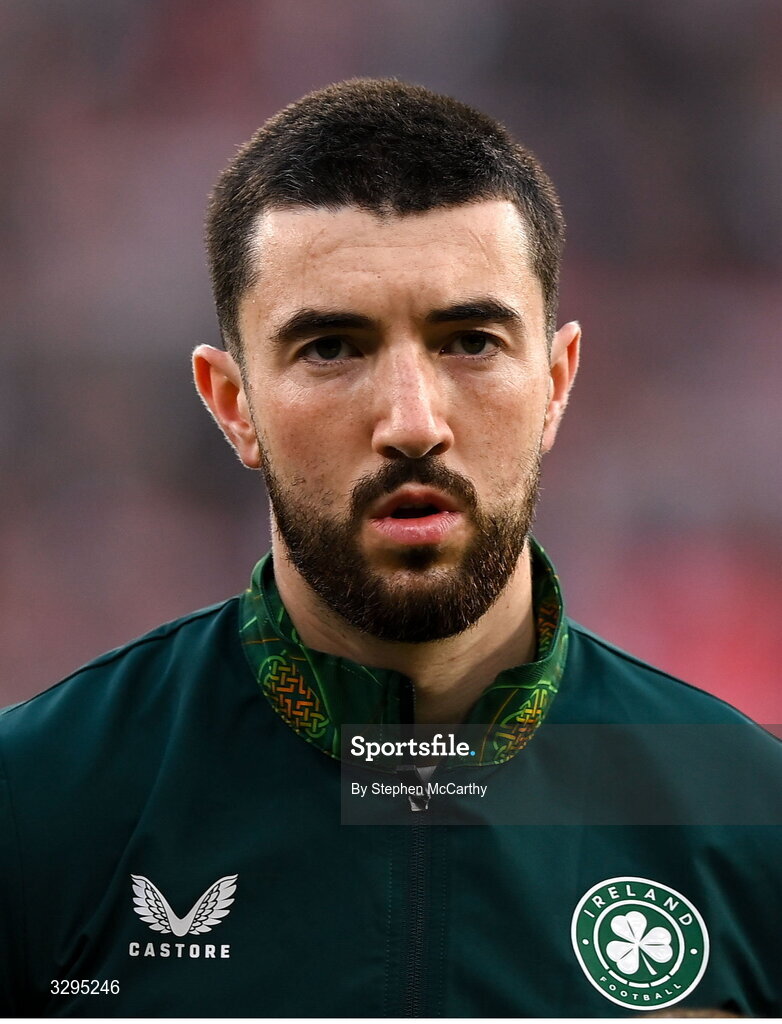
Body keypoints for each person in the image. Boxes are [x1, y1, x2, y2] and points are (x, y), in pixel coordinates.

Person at [0, 79, 780, 1018]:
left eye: (471, 341)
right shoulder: (40, 801)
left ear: (557, 380)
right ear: (232, 405)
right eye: (332, 348)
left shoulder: (750, 813)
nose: (413, 424)